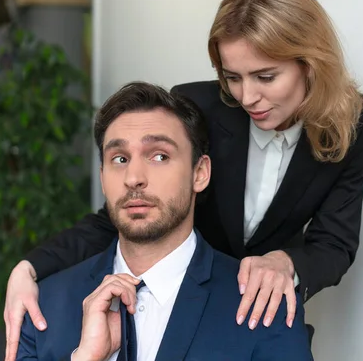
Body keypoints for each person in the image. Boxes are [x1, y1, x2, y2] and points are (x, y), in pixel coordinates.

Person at [5, 0, 363, 360]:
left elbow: (335, 243)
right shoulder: (201, 106)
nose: (247, 97)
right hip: (177, 296)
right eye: (232, 77)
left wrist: (287, 262)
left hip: (255, 315)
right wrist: (31, 267)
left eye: (265, 77)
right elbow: (132, 208)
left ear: (310, 64)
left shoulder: (352, 118)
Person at [16, 82, 313, 361]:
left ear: (200, 173)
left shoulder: (265, 306)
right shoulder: (44, 305)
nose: (134, 178)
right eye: (119, 159)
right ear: (103, 178)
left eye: (159, 156)